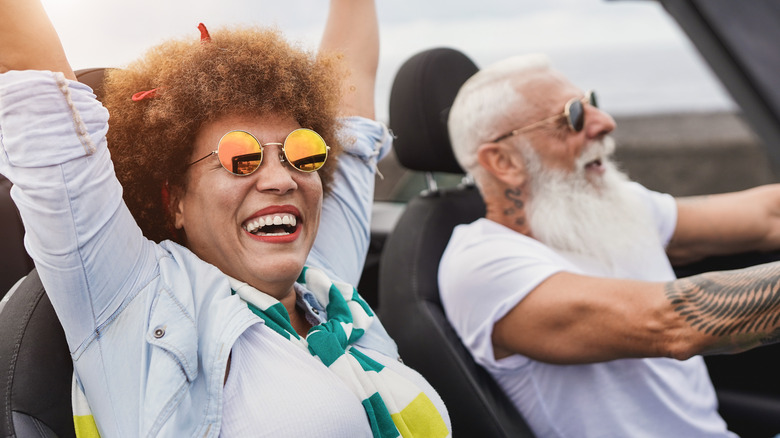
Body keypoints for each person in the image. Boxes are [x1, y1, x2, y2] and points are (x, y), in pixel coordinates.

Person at [0, 0, 451, 437]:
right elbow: (35, 79)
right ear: (175, 199)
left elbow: (351, 86)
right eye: (240, 157)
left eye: (302, 152)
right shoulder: (131, 301)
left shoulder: (325, 284)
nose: (282, 179)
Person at [439, 53, 780, 437]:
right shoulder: (483, 264)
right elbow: (672, 323)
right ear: (502, 160)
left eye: (592, 103)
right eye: (572, 116)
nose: (605, 122)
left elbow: (768, 217)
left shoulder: (609, 206)